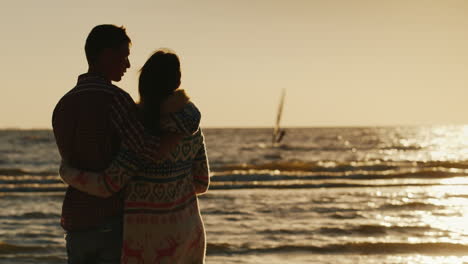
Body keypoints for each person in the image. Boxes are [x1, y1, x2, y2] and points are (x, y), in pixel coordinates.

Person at [52, 25, 200, 264]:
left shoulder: (63, 105)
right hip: (112, 222)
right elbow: (151, 151)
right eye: (124, 56)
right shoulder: (117, 100)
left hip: (75, 221)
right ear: (106, 54)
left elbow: (72, 160)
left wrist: (67, 173)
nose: (128, 65)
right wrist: (187, 123)